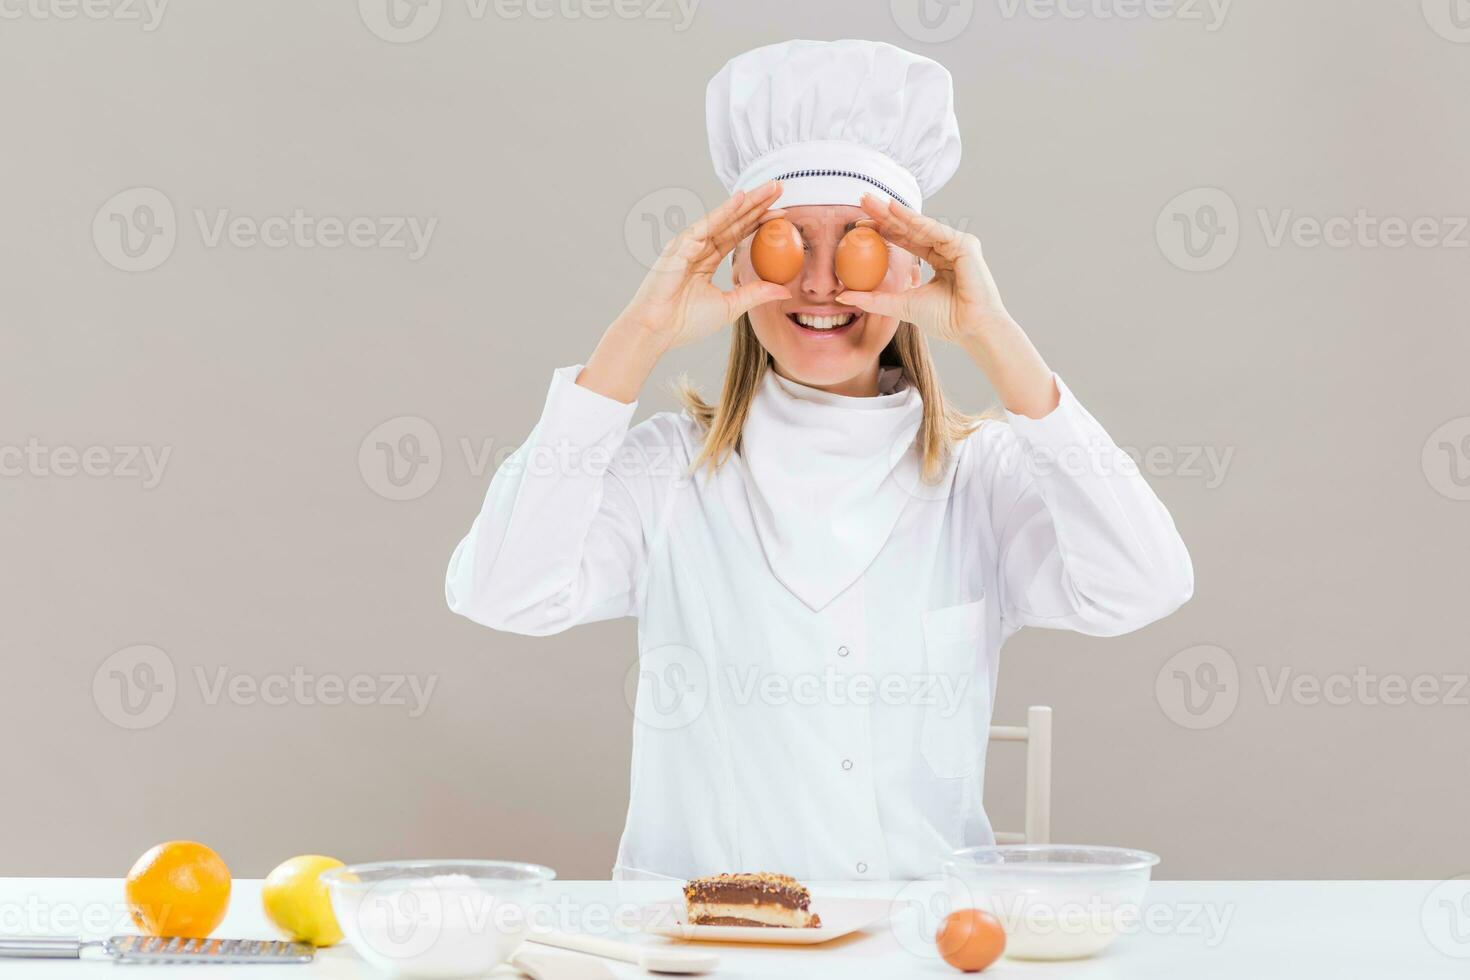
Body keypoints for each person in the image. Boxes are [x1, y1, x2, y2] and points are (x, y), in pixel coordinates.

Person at [446, 39, 1193, 881]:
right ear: (735, 263)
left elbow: (1144, 584)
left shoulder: (980, 479)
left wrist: (996, 335)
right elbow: (500, 591)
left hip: (922, 947)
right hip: (707, 950)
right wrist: (638, 333)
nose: (822, 283)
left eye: (861, 244)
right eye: (787, 243)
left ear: (913, 266)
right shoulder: (667, 474)